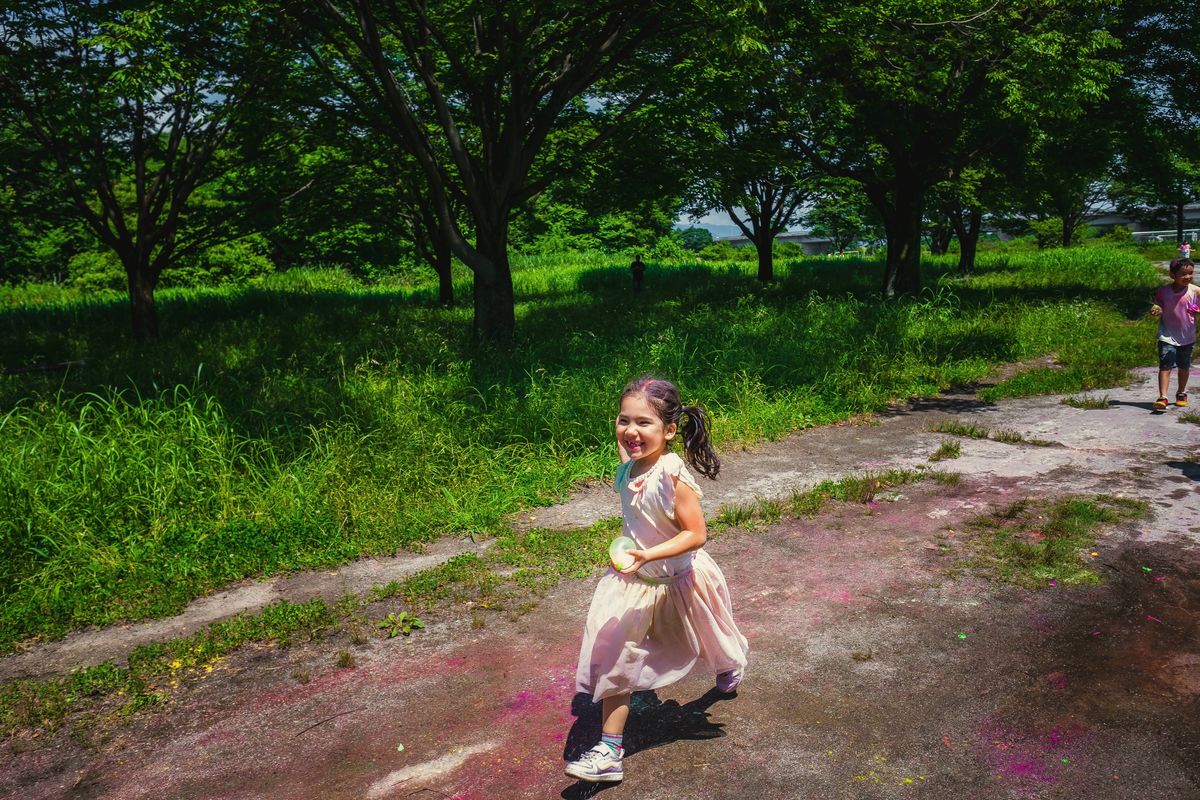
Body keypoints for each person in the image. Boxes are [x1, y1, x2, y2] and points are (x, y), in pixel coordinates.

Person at [565, 376, 749, 784]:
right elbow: (629, 451)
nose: (631, 431)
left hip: (680, 578)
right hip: (636, 584)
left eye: (644, 423)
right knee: (618, 658)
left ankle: (731, 665)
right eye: (622, 420)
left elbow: (696, 534)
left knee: (710, 639)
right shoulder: (630, 465)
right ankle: (610, 751)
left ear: (669, 430)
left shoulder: (672, 475)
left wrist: (647, 553)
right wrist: (637, 559)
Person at [1150, 257, 1199, 411]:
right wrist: (1156, 309)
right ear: (1172, 275)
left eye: (1190, 273)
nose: (1188, 277)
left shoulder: (1195, 291)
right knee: (1165, 366)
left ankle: (1181, 393)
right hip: (1167, 335)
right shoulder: (1164, 291)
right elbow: (1158, 304)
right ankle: (1163, 397)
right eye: (1183, 274)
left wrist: (1197, 310)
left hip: (1187, 335)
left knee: (1184, 367)